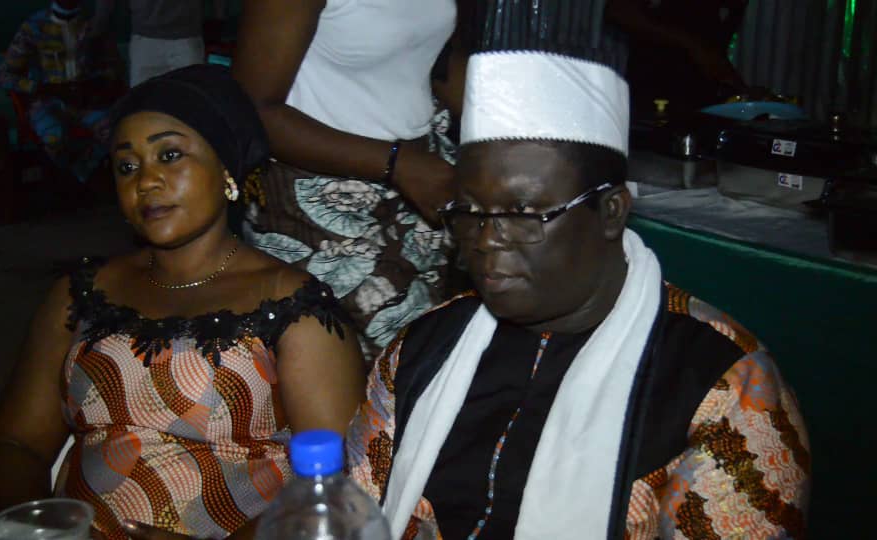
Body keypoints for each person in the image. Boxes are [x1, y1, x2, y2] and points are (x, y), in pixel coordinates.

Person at [345, 15, 810, 540]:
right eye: (470, 212)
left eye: (524, 213)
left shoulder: (720, 385)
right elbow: (358, 516)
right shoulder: (423, 348)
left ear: (611, 211)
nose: (487, 238)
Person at [0, 65, 366, 540]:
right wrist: (42, 531)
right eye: (127, 166)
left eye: (169, 155)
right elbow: (15, 443)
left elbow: (339, 486)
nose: (146, 181)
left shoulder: (293, 306)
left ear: (227, 171)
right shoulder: (80, 292)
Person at [230, 0, 460, 360]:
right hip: (320, 200)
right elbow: (251, 109)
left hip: (419, 187)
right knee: (357, 364)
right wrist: (397, 164)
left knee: (425, 351)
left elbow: (433, 64)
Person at [0, 0, 125, 182]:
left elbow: (115, 68)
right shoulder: (35, 26)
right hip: (47, 100)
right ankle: (70, 176)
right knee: (53, 137)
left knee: (116, 132)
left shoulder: (93, 25)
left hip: (87, 101)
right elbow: (5, 76)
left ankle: (82, 172)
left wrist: (96, 84)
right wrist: (43, 88)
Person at [605, 0, 750, 119]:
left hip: (701, 103)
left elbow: (713, 55)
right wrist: (691, 44)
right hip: (654, 99)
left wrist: (742, 91)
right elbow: (619, 11)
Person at [92, 0, 227, 87]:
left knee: (145, 108)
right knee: (186, 107)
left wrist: (97, 29)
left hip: (152, 39)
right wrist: (218, 20)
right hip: (179, 39)